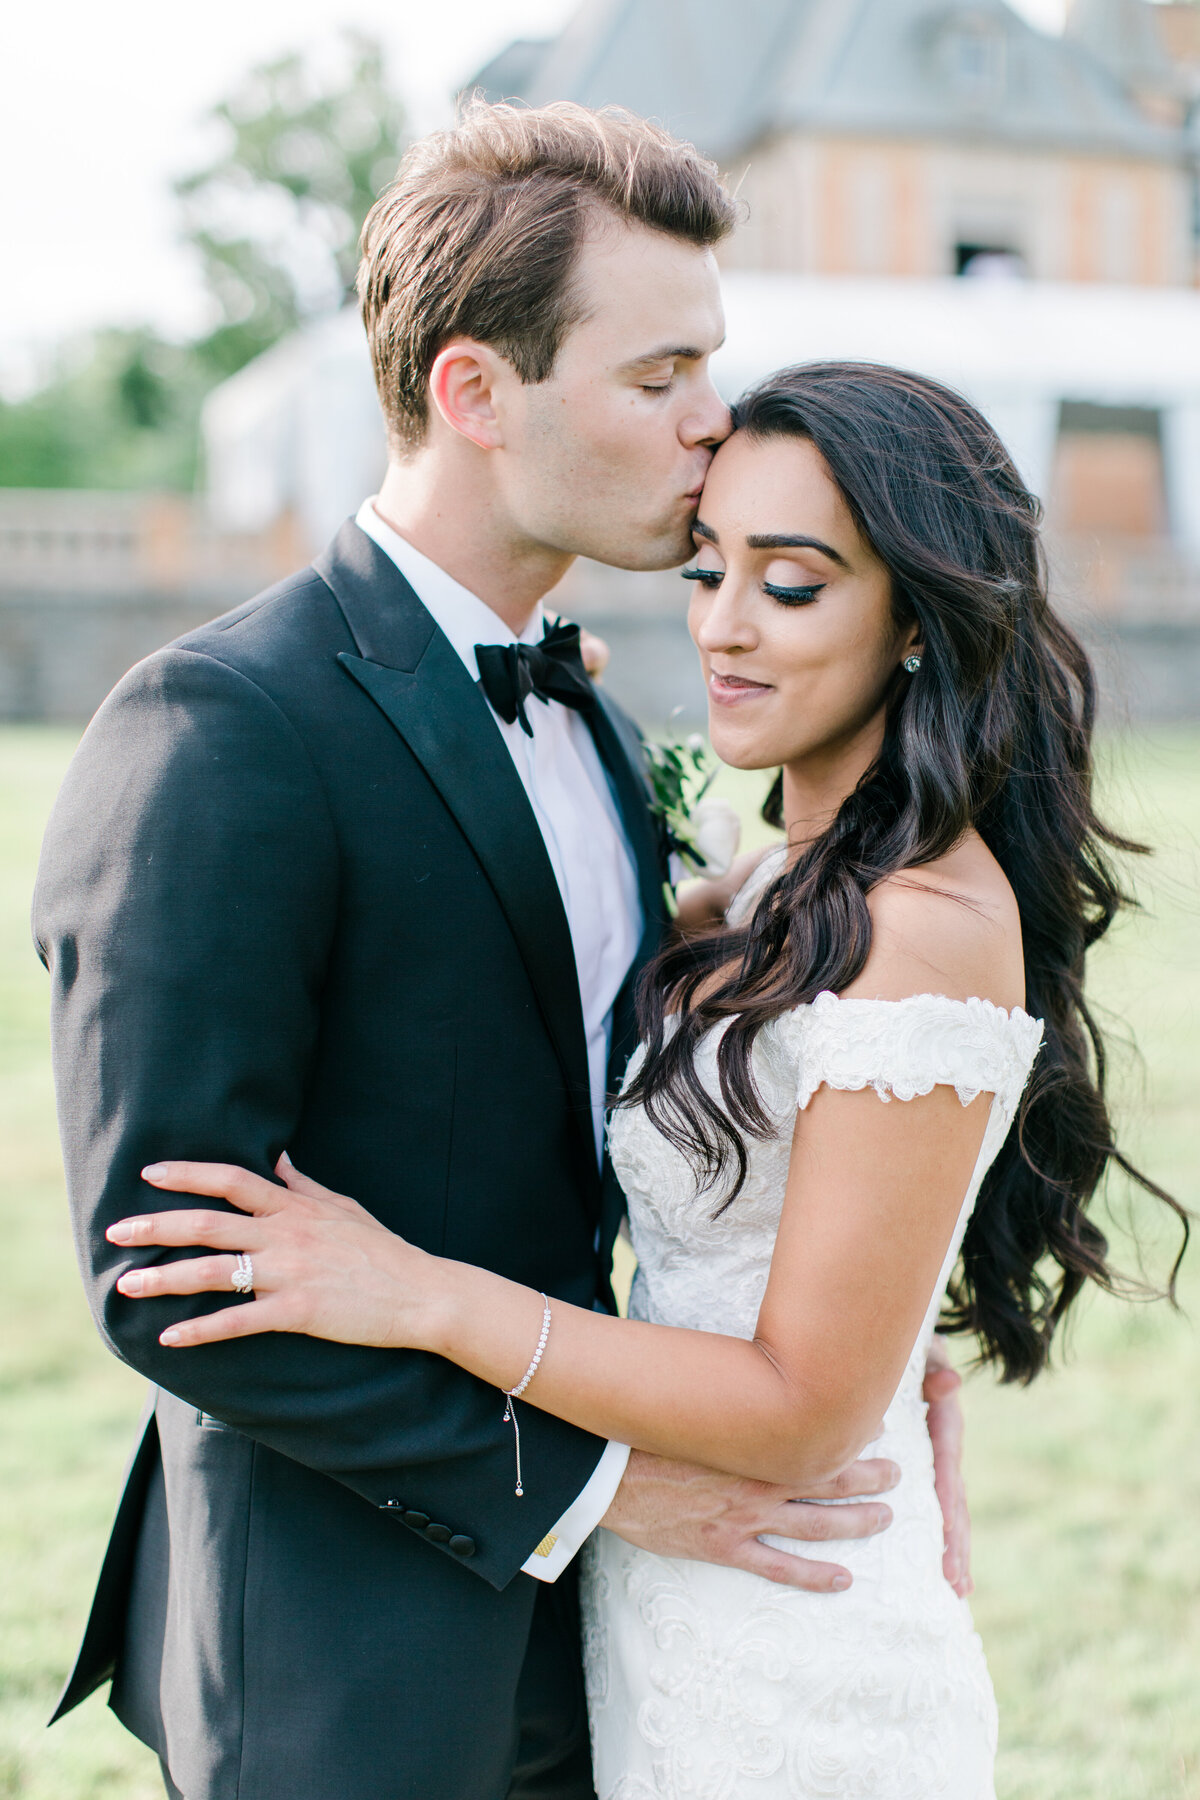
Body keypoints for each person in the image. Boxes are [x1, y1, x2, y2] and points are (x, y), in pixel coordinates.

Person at [33, 108, 969, 1800]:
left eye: (715, 366)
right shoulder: (220, 729)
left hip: (629, 1638)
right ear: (476, 393)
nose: (715, 424)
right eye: (660, 374)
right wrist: (599, 1491)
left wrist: (854, 1319)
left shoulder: (600, 719)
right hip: (345, 1645)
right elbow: (168, 1282)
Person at [107, 361, 1186, 1799]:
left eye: (791, 587)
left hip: (795, 1634)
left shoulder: (926, 927)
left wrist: (422, 1292)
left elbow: (806, 1403)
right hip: (646, 1609)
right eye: (709, 569)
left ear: (920, 625)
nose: (723, 629)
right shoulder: (769, 883)